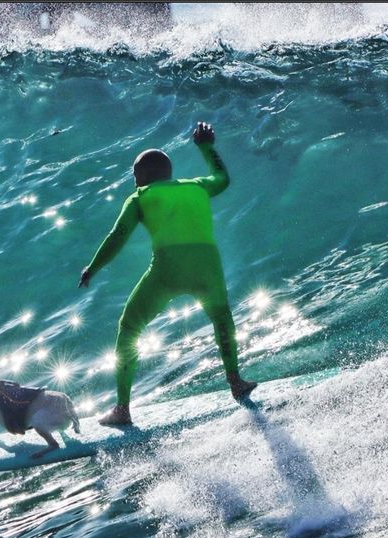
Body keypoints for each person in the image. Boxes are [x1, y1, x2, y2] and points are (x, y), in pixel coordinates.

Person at [79, 122, 257, 425]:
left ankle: (122, 409)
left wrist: (92, 268)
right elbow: (222, 178)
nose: (135, 181)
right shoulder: (198, 187)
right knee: (222, 320)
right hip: (207, 265)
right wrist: (207, 148)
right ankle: (235, 380)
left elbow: (117, 236)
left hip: (167, 269)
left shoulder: (140, 197)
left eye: (136, 176)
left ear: (143, 176)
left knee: (129, 328)